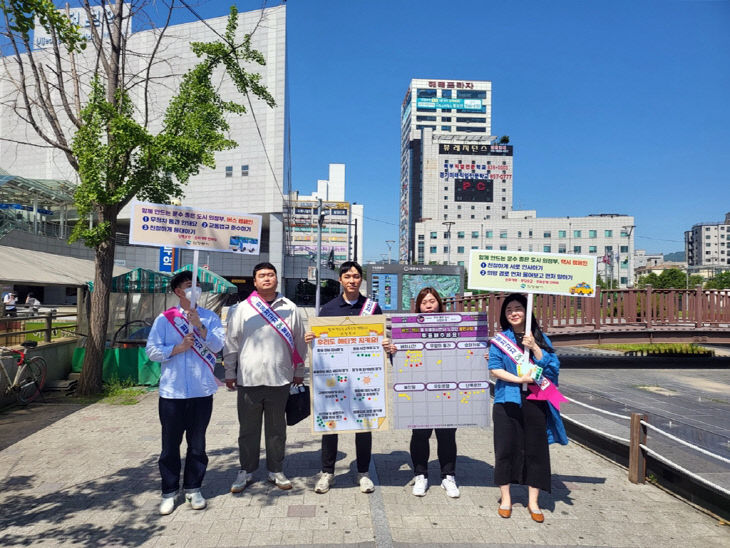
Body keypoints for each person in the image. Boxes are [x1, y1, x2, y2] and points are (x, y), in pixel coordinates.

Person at [305, 261, 393, 495]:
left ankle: (363, 472)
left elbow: (382, 339)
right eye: (347, 276)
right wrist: (311, 340)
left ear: (361, 279)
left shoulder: (373, 309)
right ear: (341, 280)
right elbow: (319, 341)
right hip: (335, 379)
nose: (352, 280)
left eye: (356, 276)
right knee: (330, 423)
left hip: (364, 378)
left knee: (364, 425)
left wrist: (386, 345)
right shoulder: (328, 309)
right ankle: (328, 472)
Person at [145, 270, 225, 515]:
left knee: (197, 445)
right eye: (189, 286)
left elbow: (218, 346)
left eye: (197, 286)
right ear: (178, 291)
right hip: (172, 393)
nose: (195, 290)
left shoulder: (210, 317)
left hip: (202, 391)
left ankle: (193, 487)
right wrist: (177, 348)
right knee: (170, 446)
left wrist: (200, 327)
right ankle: (169, 492)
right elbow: (152, 351)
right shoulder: (164, 319)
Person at [223, 262, 307, 493]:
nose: (267, 279)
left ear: (277, 279)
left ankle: (276, 469)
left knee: (276, 429)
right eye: (262, 276)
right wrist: (230, 372)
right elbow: (231, 342)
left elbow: (299, 342)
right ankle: (246, 470)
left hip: (280, 378)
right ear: (255, 281)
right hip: (248, 379)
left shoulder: (290, 307)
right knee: (248, 430)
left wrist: (299, 371)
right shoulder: (242, 309)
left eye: (271, 275)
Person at [487, 293, 567, 523]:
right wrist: (518, 380)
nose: (513, 312)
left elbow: (553, 368)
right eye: (509, 309)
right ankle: (506, 498)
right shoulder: (500, 340)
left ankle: (533, 501)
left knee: (536, 449)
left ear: (526, 311)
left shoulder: (540, 338)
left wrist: (535, 348)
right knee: (505, 448)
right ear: (505, 314)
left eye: (518, 308)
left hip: (536, 399)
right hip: (507, 400)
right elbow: (494, 369)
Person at [408, 287, 460, 498]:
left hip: (447, 389)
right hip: (420, 390)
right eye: (424, 302)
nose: (428, 305)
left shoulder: (455, 326)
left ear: (439, 303)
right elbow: (403, 361)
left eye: (432, 301)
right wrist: (393, 352)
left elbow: (464, 352)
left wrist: (477, 355)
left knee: (447, 433)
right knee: (420, 434)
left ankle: (448, 476)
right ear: (418, 307)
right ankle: (421, 475)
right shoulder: (409, 329)